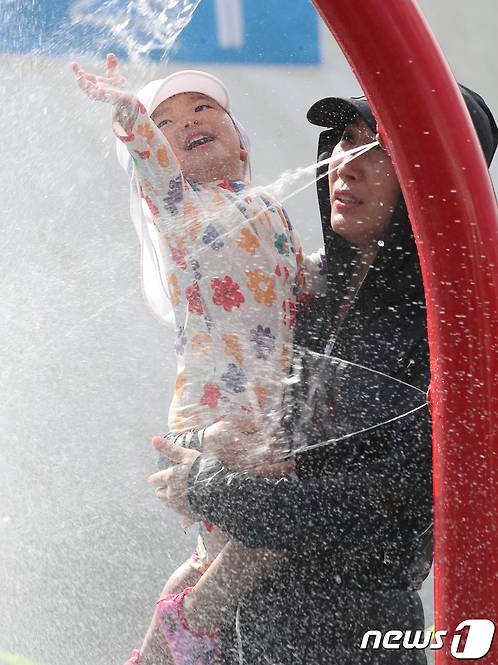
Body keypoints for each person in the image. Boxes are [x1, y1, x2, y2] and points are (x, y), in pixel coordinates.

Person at [150, 86, 497, 663]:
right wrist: (199, 449)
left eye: (380, 150)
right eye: (344, 141)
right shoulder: (301, 291)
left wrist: (208, 486)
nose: (348, 164)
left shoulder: (450, 329)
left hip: (349, 635)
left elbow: (391, 498)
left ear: (436, 180)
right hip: (241, 631)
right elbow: (189, 442)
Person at [72, 54, 324, 665]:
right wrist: (128, 112)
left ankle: (155, 652)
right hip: (214, 407)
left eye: (205, 108)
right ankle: (189, 626)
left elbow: (303, 283)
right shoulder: (179, 207)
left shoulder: (270, 206)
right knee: (270, 527)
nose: (188, 121)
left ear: (243, 146)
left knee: (218, 551)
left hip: (264, 403)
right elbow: (150, 162)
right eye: (169, 122)